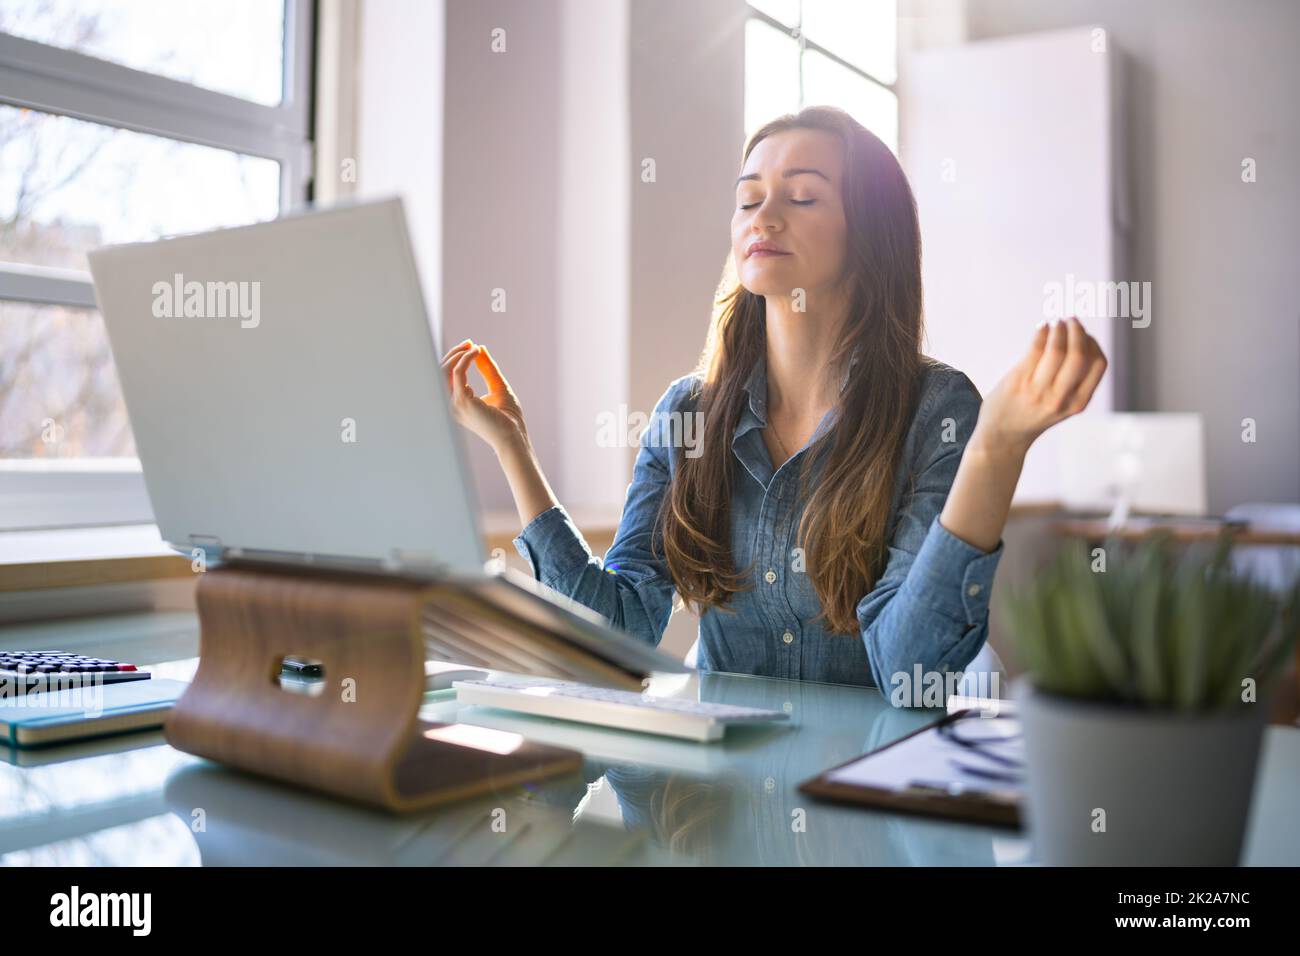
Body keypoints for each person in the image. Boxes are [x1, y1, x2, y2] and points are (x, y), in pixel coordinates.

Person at [440, 105, 1107, 690]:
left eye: (803, 197)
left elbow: (912, 671)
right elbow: (618, 631)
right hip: (713, 800)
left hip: (863, 800)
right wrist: (513, 448)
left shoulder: (938, 411)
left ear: (870, 231)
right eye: (749, 198)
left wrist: (997, 446)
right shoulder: (687, 415)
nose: (765, 216)